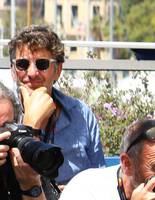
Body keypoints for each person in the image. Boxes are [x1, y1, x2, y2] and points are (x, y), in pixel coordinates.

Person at [7, 26, 105, 186]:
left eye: (42, 64)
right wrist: (32, 125)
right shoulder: (3, 113)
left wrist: (74, 194)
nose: (32, 73)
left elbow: (99, 179)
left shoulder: (80, 114)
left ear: (58, 70)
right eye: (22, 64)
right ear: (13, 70)